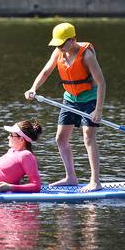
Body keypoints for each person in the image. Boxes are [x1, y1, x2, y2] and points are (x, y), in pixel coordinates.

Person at [24, 22, 106, 192]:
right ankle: (71, 177)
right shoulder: (58, 52)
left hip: (89, 99)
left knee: (88, 137)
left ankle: (95, 181)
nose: (59, 47)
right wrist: (33, 88)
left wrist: (98, 110)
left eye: (62, 44)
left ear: (72, 40)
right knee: (60, 138)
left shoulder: (87, 55)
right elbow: (46, 71)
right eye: (57, 44)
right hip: (69, 99)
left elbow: (102, 83)